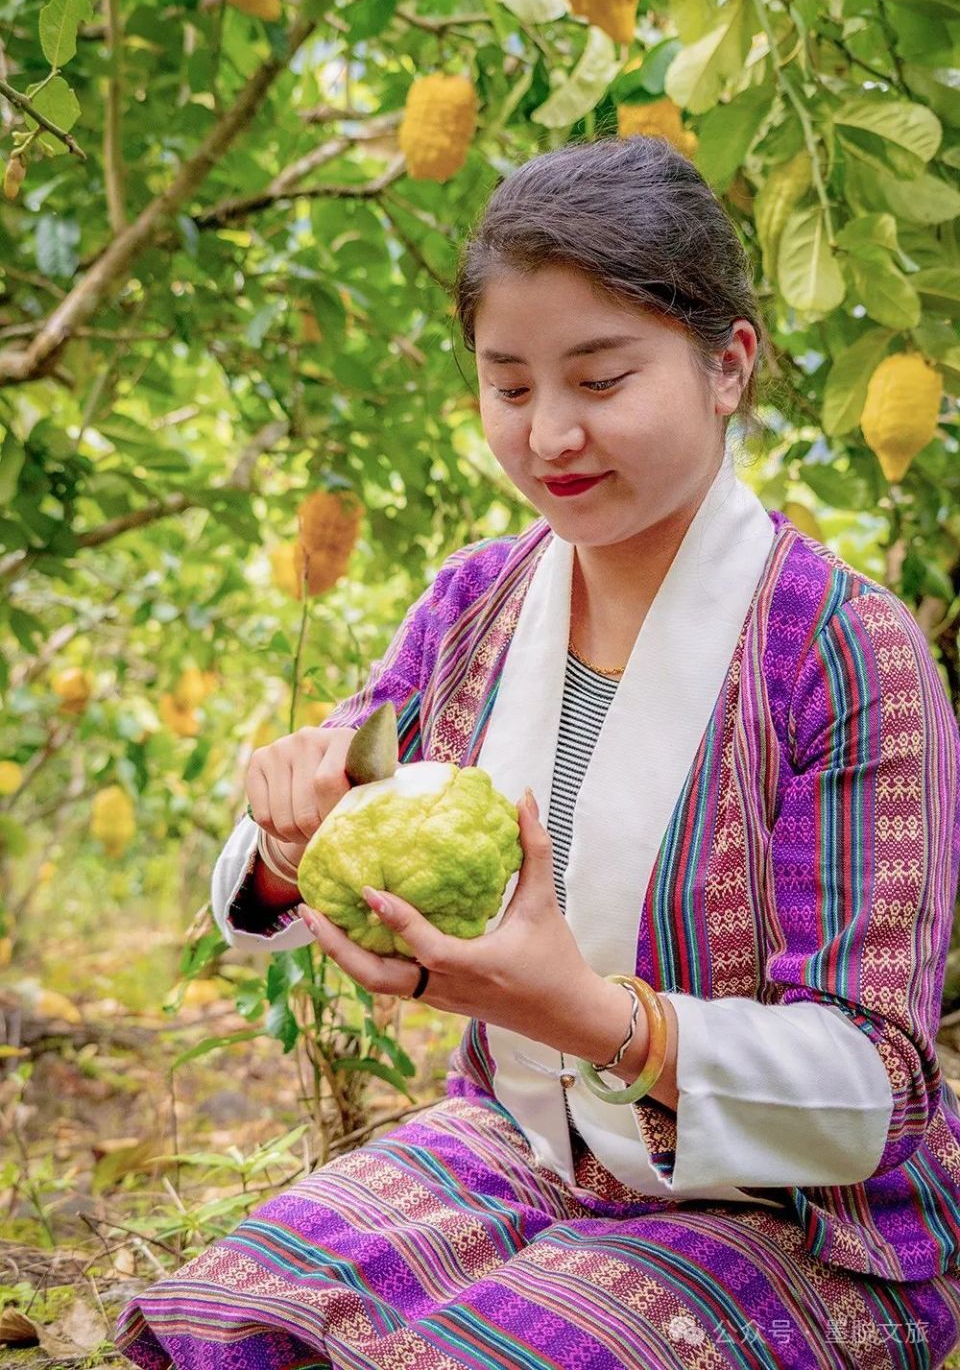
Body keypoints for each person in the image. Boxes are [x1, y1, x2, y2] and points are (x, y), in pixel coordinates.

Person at [114, 136, 960, 1370]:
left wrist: (593, 1016)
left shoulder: (841, 652)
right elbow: (315, 844)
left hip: (792, 1214)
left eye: (601, 379)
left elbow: (871, 1089)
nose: (550, 432)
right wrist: (294, 829)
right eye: (509, 387)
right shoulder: (475, 608)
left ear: (729, 364)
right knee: (223, 1325)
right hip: (518, 1140)